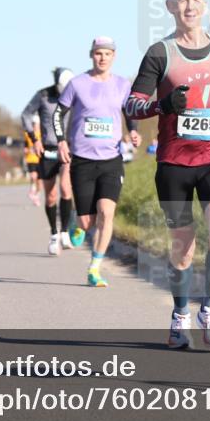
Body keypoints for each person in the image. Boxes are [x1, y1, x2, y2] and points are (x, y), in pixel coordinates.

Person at [125, 0, 210, 348]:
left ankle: (209, 308)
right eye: (181, 0)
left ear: (205, 4)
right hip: (173, 164)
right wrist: (161, 105)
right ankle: (180, 314)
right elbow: (132, 103)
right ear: (169, 6)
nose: (190, 6)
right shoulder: (159, 53)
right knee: (183, 246)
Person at [54, 36, 141, 287]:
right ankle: (76, 221)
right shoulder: (77, 84)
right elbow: (59, 113)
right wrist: (61, 141)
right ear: (91, 55)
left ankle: (95, 266)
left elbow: (130, 112)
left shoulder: (123, 85)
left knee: (107, 212)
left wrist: (133, 131)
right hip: (82, 159)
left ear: (114, 56)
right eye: (98, 53)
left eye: (107, 53)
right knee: (87, 221)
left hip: (111, 159)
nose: (102, 58)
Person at [21, 68, 82, 255]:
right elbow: (25, 115)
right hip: (47, 149)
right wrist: (34, 139)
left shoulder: (76, 95)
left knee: (65, 187)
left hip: (67, 149)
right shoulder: (43, 95)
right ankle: (54, 234)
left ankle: (64, 231)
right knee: (51, 195)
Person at [23, 121, 41, 207]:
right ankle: (32, 191)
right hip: (31, 159)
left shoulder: (42, 135)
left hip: (40, 160)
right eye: (35, 125)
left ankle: (36, 196)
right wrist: (26, 150)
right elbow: (25, 147)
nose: (36, 127)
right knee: (33, 176)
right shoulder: (27, 135)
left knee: (39, 182)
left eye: (37, 125)